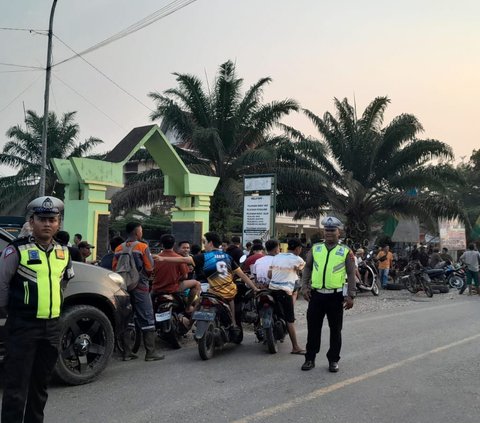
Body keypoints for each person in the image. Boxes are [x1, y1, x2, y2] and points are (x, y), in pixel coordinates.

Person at [0, 196, 74, 423]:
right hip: (23, 327)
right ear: (31, 222)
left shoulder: (64, 252)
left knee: (40, 386)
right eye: (42, 219)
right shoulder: (16, 250)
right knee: (15, 387)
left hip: (52, 328)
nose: (47, 223)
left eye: (52, 219)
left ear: (58, 223)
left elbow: (65, 281)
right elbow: (2, 284)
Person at [154, 231, 258, 328]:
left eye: (205, 242)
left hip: (214, 292)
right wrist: (254, 288)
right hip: (229, 292)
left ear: (211, 243)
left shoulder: (205, 256)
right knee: (231, 300)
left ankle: (189, 324)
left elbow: (183, 259)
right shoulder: (227, 257)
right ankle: (234, 324)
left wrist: (163, 258)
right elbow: (243, 275)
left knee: (199, 301)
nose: (204, 245)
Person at [301, 216, 356, 372]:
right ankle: (310, 359)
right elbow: (307, 268)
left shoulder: (345, 251)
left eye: (332, 230)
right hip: (316, 296)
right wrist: (304, 287)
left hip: (335, 297)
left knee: (335, 330)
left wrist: (351, 295)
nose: (329, 233)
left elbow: (351, 274)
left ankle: (333, 360)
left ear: (339, 232)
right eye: (327, 230)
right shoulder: (316, 248)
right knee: (313, 329)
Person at [113, 222, 165, 361]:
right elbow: (149, 267)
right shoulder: (142, 247)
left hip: (123, 286)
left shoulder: (118, 248)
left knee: (127, 318)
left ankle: (127, 352)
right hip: (140, 286)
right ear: (137, 233)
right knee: (147, 316)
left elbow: (114, 268)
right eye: (141, 230)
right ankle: (150, 352)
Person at [267, 238, 305, 354]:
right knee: (290, 319)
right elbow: (303, 271)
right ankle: (295, 347)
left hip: (271, 289)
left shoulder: (277, 256)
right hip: (284, 291)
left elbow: (269, 275)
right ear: (298, 249)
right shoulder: (298, 259)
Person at [152, 234, 201, 312]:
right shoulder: (180, 259)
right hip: (173, 288)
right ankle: (188, 308)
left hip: (156, 288)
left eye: (187, 248)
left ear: (161, 244)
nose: (186, 250)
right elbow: (185, 276)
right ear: (175, 245)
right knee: (196, 283)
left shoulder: (155, 258)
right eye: (184, 248)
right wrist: (175, 278)